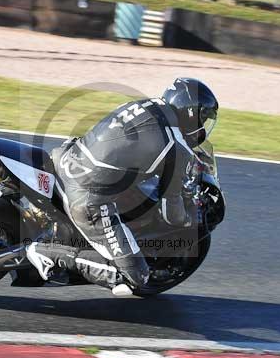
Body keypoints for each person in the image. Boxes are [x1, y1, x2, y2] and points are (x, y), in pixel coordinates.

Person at [26, 78, 219, 296]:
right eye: (204, 118)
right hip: (87, 198)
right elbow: (171, 213)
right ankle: (48, 254)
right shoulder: (176, 148)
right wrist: (190, 218)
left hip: (65, 160)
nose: (203, 126)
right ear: (192, 113)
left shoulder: (143, 106)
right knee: (135, 277)